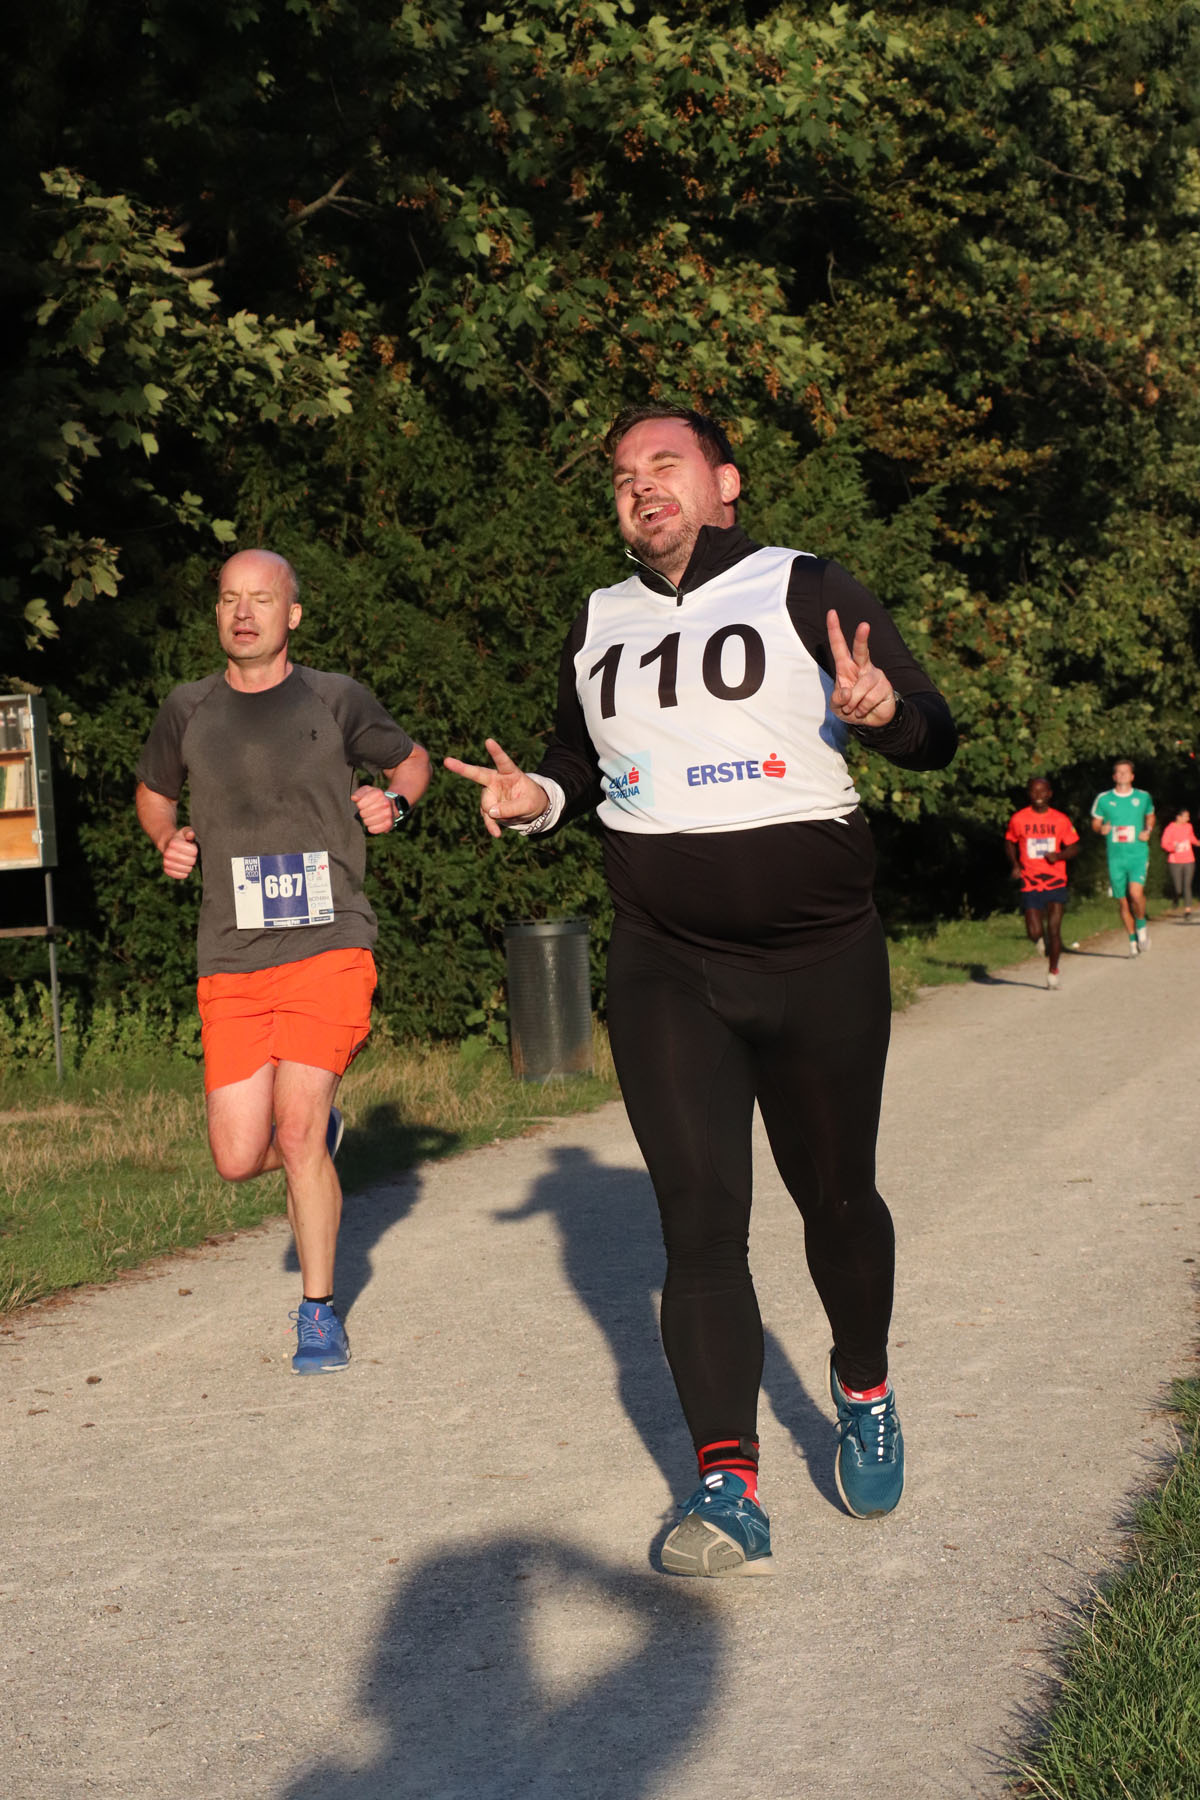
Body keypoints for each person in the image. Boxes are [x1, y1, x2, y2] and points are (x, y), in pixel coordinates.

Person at [445, 405, 957, 1576]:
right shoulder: (598, 619)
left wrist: (885, 716)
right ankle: (728, 1486)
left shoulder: (805, 584)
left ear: (725, 482)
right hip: (668, 962)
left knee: (838, 1200)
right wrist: (539, 801)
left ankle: (863, 1385)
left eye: (664, 464)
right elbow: (576, 763)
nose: (640, 486)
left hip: (820, 955)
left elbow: (936, 730)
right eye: (623, 475)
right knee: (700, 1225)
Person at [135, 549, 430, 1372]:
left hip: (327, 943)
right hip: (231, 955)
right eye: (230, 598)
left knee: (294, 1131)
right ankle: (321, 1138)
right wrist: (167, 838)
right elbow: (155, 793)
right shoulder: (187, 708)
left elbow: (410, 761)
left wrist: (394, 801)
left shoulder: (335, 698)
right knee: (237, 1156)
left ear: (291, 614)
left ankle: (318, 1311)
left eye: (261, 599)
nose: (243, 613)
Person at [1004, 777, 1081, 989]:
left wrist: (1059, 856)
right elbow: (1009, 842)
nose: (1038, 795)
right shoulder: (1019, 819)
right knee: (1034, 932)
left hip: (1056, 880)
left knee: (1054, 930)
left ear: (1049, 794)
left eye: (1042, 791)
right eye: (1034, 791)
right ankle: (1040, 940)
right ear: (1029, 794)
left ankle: (1053, 971)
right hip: (1030, 880)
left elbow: (1074, 847)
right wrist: (1015, 864)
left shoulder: (1060, 820)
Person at [1091, 759, 1155, 955]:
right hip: (1116, 857)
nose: (1122, 775)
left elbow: (1150, 815)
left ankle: (1141, 927)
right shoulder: (1104, 799)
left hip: (1137, 853)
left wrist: (1148, 830)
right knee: (1123, 901)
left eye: (1125, 772)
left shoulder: (1143, 797)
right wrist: (1100, 829)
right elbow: (1095, 822)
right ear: (1114, 776)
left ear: (1132, 776)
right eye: (1118, 772)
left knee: (1135, 893)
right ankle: (1132, 941)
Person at [1160, 808, 1199, 918]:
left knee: (1187, 885)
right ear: (1178, 817)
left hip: (1189, 860)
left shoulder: (1188, 827)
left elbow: (1191, 838)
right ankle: (1176, 898)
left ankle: (1188, 911)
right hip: (1175, 861)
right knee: (1178, 888)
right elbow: (1164, 843)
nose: (1188, 818)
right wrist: (1173, 848)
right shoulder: (1170, 828)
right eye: (1186, 816)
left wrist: (1197, 842)